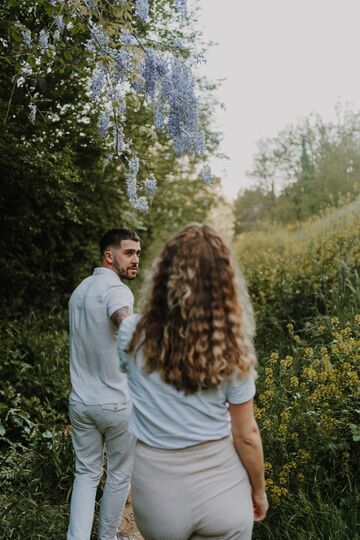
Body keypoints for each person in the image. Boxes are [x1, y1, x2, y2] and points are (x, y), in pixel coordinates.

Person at [118, 223, 268, 540]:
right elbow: (246, 436)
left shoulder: (131, 333)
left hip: (158, 493)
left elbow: (129, 378)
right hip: (222, 490)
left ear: (164, 278)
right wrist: (259, 491)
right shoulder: (231, 346)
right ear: (222, 283)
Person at [67, 228, 141, 540]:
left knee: (86, 474)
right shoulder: (119, 291)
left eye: (138, 253)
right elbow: (122, 317)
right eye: (129, 253)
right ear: (109, 256)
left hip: (81, 403)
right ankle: (108, 538)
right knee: (119, 475)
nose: (136, 259)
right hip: (116, 405)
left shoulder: (79, 291)